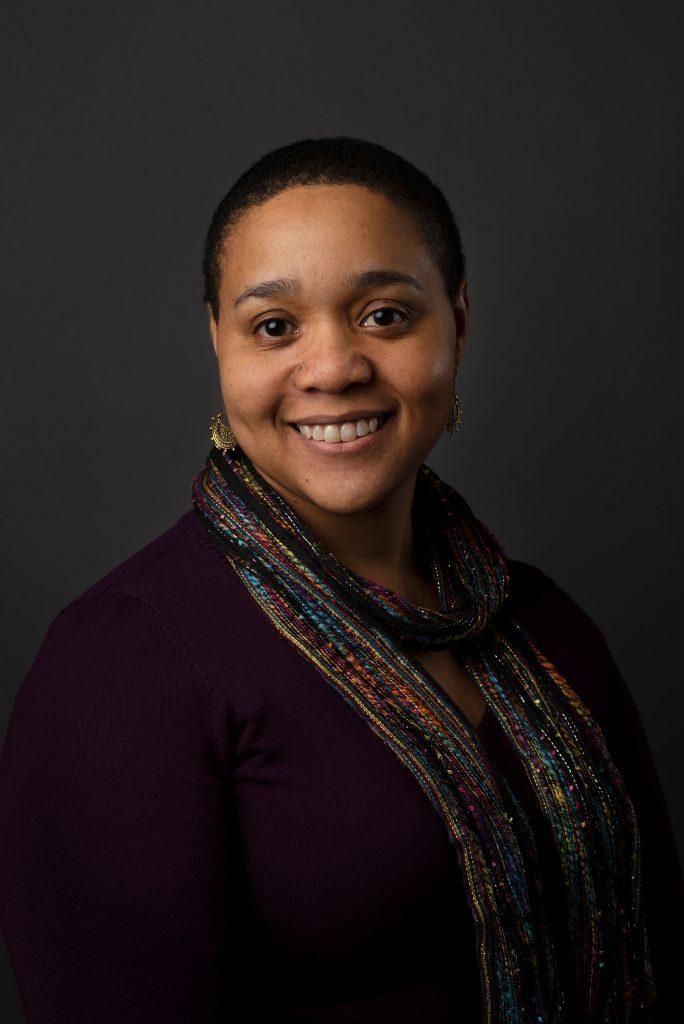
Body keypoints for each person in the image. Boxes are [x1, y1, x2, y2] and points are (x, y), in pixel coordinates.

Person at [0, 136, 681, 1024]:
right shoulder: (123, 665)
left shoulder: (542, 624)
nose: (333, 368)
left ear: (459, 321)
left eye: (385, 315)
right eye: (274, 327)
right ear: (219, 342)